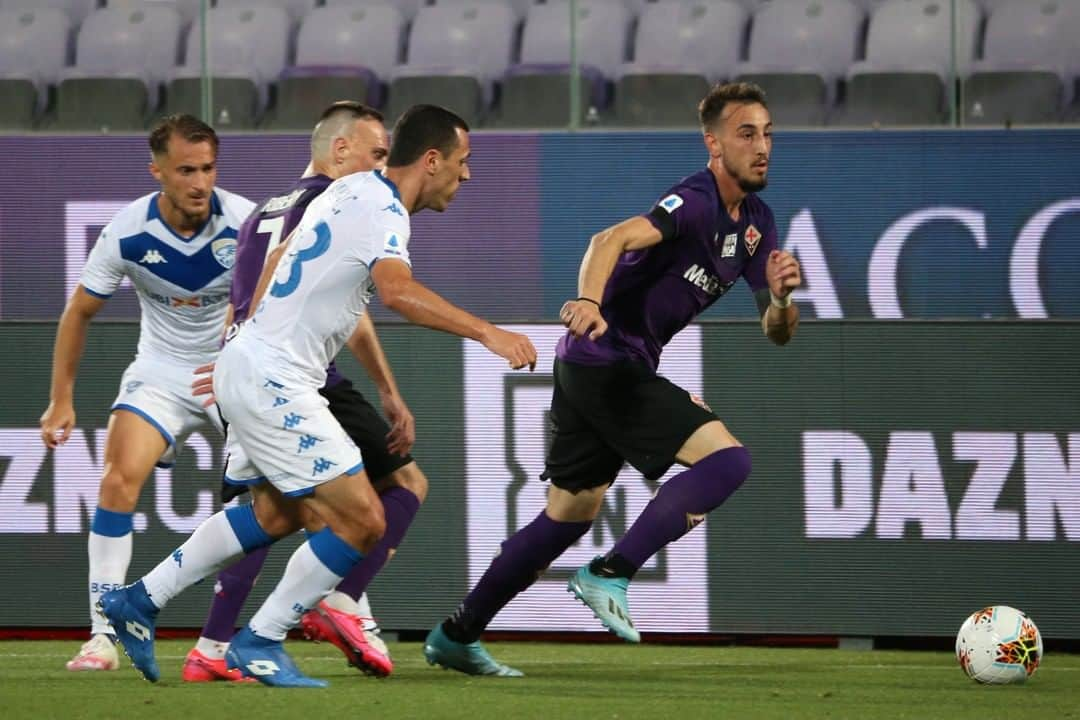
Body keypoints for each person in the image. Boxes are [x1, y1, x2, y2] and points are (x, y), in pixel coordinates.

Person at [99, 105, 538, 688]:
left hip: (255, 363)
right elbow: (397, 293)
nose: (468, 175)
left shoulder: (350, 187)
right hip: (275, 375)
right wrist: (489, 332)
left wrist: (248, 337)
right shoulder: (382, 210)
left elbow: (280, 258)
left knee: (275, 512)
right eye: (463, 162)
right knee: (363, 519)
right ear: (432, 161)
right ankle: (260, 639)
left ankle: (141, 599)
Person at [424, 81, 801, 676]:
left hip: (593, 367)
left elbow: (777, 331)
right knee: (729, 462)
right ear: (713, 144)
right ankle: (610, 573)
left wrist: (780, 298)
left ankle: (456, 633)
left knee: (568, 515)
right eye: (746, 134)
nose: (762, 147)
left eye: (768, 134)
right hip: (605, 359)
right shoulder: (696, 201)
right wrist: (588, 300)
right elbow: (611, 239)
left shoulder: (757, 222)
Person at [182, 101, 423, 682]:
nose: (381, 166)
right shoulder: (341, 201)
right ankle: (342, 602)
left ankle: (211, 648)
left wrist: (230, 356)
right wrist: (389, 390)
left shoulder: (261, 210)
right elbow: (349, 310)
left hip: (244, 365)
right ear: (340, 150)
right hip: (300, 372)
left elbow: (247, 298)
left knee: (271, 508)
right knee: (401, 483)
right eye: (376, 153)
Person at [39, 115, 255, 673]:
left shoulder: (247, 222)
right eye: (186, 170)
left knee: (269, 499)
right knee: (116, 478)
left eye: (208, 168)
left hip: (226, 373)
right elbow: (78, 313)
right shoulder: (127, 231)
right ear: (157, 170)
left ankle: (223, 639)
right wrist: (61, 399)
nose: (200, 182)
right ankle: (103, 635)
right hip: (160, 370)